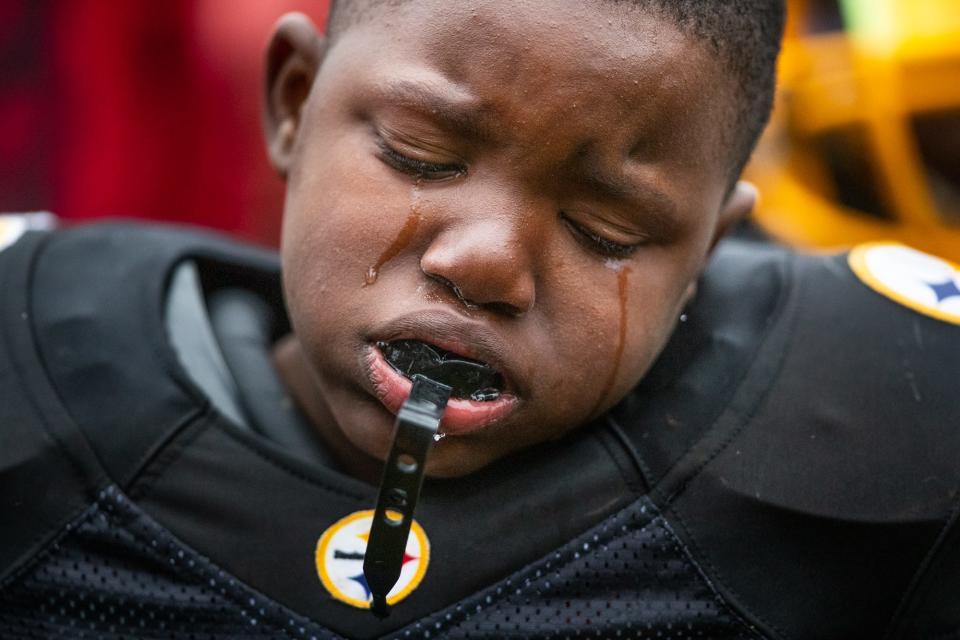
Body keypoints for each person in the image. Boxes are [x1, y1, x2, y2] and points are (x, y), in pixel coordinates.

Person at [0, 1, 957, 638]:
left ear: (708, 251)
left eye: (604, 227)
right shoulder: (25, 368)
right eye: (421, 155)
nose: (489, 264)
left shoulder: (880, 441)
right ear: (295, 100)